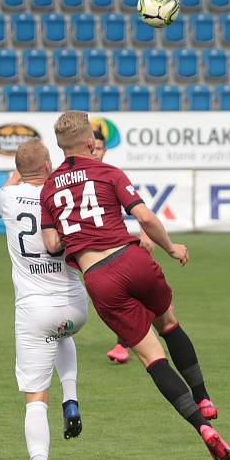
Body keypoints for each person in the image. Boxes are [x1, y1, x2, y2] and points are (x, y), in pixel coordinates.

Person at [40, 111, 230, 460]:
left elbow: (52, 243)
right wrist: (172, 248)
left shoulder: (49, 187)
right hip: (131, 260)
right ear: (89, 143)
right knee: (169, 323)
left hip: (98, 277)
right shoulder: (108, 172)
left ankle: (201, 426)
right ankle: (204, 396)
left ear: (60, 147)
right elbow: (144, 217)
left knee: (151, 356)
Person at [0, 139, 88, 460]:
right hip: (75, 306)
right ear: (49, 163)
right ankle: (70, 398)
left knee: (35, 401)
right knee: (61, 333)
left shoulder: (8, 197)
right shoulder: (63, 193)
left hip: (33, 311)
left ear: (17, 168)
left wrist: (13, 180)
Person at [92, 129, 154, 365]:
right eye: (93, 148)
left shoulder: (111, 176)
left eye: (99, 149)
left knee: (126, 294)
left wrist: (145, 235)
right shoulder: (78, 178)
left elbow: (139, 208)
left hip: (114, 249)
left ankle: (123, 344)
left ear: (104, 151)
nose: (95, 153)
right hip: (89, 251)